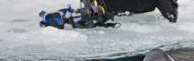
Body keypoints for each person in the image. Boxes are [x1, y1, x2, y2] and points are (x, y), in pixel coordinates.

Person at [39, 0, 178, 29]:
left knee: (87, 16)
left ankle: (64, 18)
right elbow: (171, 16)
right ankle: (61, 20)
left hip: (102, 6)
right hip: (104, 8)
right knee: (87, 18)